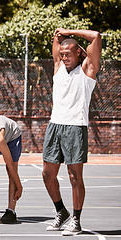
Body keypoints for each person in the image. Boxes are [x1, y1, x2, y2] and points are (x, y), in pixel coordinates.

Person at [42, 28, 101, 236]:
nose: (64, 57)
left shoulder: (87, 70)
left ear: (79, 53)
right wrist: (59, 35)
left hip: (75, 127)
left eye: (68, 54)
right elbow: (56, 40)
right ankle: (62, 212)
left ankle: (76, 219)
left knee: (74, 176)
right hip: (54, 125)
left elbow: (95, 36)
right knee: (47, 174)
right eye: (62, 54)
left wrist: (69, 31)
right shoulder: (58, 67)